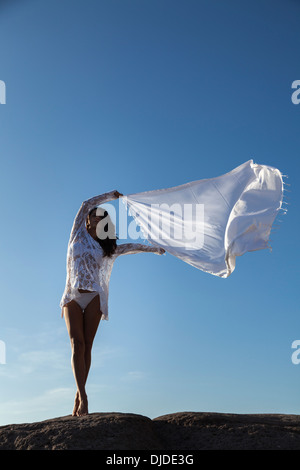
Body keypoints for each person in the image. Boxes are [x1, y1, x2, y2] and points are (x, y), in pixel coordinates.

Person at [60, 190, 165, 417]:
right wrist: (110, 196)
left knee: (87, 345)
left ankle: (79, 395)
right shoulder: (76, 234)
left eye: (101, 218)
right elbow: (85, 202)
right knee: (76, 345)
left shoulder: (107, 248)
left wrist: (155, 248)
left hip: (95, 297)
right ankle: (83, 395)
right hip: (73, 295)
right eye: (93, 217)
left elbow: (131, 247)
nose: (96, 220)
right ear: (87, 220)